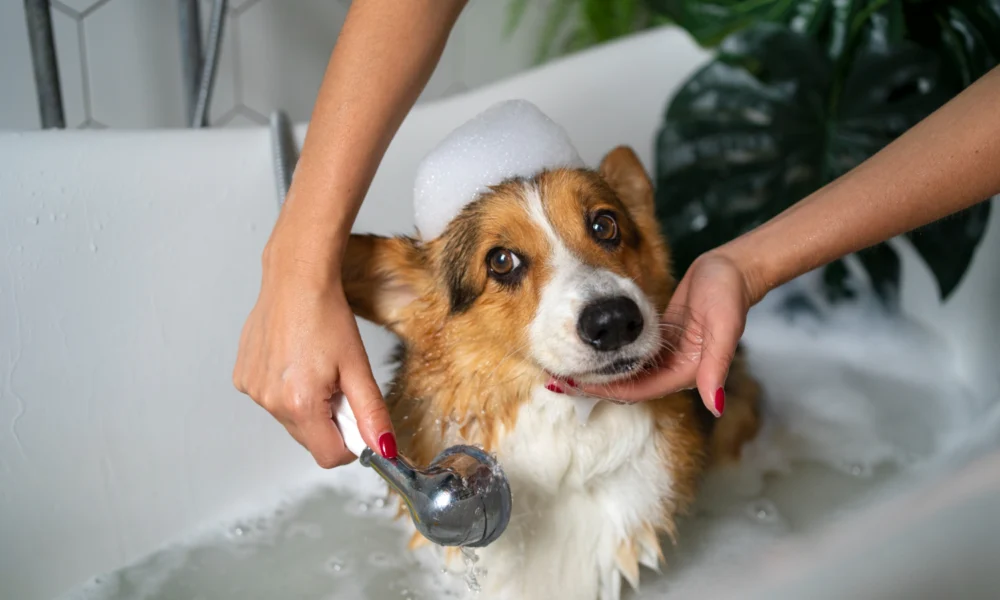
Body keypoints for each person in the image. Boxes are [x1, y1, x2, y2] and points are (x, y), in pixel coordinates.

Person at [232, 0, 1000, 468]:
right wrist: (297, 262)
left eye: (605, 227)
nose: (605, 294)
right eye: (505, 263)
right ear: (419, 304)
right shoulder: (418, 299)